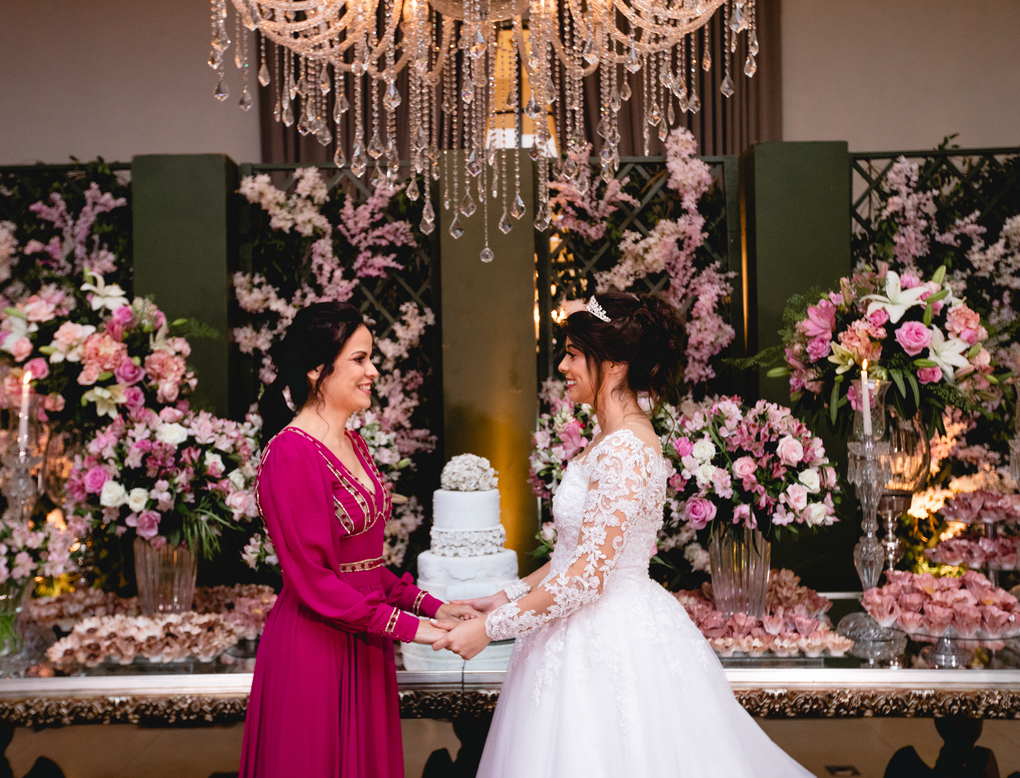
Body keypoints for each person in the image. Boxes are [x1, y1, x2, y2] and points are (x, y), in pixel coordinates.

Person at [432, 292, 814, 777]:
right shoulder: (607, 440)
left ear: (612, 364)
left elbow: (588, 577)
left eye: (574, 354)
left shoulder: (627, 450)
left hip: (610, 636)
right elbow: (575, 553)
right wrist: (506, 596)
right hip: (572, 627)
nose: (563, 366)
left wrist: (490, 629)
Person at [239, 301, 476, 778]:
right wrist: (418, 630)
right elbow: (315, 580)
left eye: (372, 359)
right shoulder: (291, 452)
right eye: (360, 359)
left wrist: (433, 607)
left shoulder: (353, 443)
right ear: (316, 369)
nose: (373, 371)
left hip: (365, 637)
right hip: (316, 646)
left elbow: (363, 567)